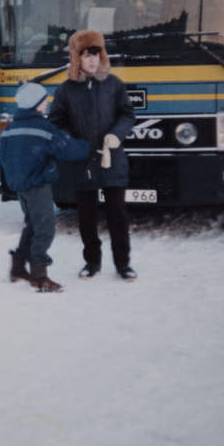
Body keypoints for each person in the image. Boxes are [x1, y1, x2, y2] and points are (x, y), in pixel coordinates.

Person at [48, 30, 137, 280]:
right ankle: (92, 262)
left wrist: (116, 135)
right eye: (86, 55)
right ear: (77, 58)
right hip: (82, 162)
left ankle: (123, 264)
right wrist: (74, 144)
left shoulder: (114, 84)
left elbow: (127, 114)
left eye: (96, 54)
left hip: (111, 159)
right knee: (86, 217)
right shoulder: (66, 90)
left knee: (118, 215)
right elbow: (56, 122)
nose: (92, 60)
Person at [0, 82, 90, 292]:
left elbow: (4, 159)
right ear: (36, 104)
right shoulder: (43, 129)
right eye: (44, 101)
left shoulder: (10, 129)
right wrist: (88, 145)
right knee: (46, 227)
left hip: (20, 186)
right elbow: (68, 149)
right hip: (38, 185)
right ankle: (39, 276)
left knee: (32, 224)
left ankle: (18, 268)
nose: (46, 104)